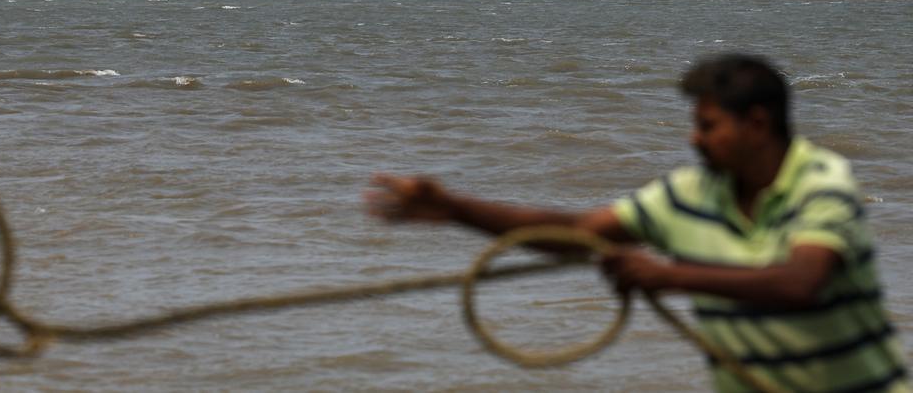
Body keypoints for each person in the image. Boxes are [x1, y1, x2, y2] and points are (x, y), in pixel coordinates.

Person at [367, 54, 907, 392]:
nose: (693, 139)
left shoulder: (822, 182)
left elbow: (801, 282)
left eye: (707, 126)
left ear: (757, 124)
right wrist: (455, 208)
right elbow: (575, 232)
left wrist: (668, 276)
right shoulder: (688, 194)